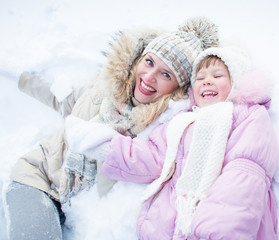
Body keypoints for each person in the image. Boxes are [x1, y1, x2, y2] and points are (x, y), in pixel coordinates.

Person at [4, 17, 219, 239]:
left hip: (80, 213)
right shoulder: (104, 87)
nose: (149, 77)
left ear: (178, 87)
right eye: (149, 62)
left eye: (166, 74)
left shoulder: (162, 130)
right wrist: (16, 75)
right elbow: (63, 101)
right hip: (38, 178)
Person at [65, 46, 279, 239]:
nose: (206, 81)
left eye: (218, 75)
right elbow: (151, 156)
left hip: (216, 230)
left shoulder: (248, 116)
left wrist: (215, 231)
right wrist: (102, 144)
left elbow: (244, 176)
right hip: (166, 229)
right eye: (200, 77)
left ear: (237, 83)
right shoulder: (182, 122)